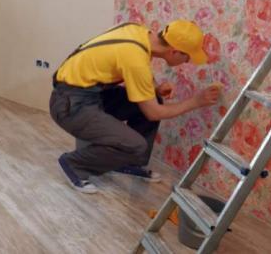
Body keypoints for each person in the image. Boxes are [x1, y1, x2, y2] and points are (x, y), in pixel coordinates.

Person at [50, 20, 220, 194]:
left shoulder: (138, 32)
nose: (188, 61)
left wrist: (155, 88)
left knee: (153, 100)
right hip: (70, 105)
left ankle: (126, 163)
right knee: (136, 144)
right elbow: (154, 113)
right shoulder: (135, 58)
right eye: (188, 57)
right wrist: (196, 102)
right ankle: (74, 163)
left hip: (92, 95)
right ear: (175, 51)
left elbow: (134, 68)